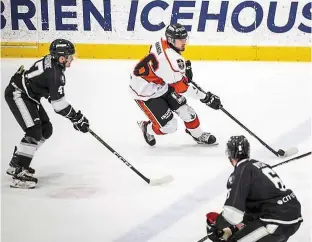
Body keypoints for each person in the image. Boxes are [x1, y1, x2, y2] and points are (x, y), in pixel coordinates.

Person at [4, 39, 90, 189]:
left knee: (46, 129)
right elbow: (58, 105)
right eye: (70, 56)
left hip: (29, 95)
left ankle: (18, 160)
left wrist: (73, 116)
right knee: (34, 131)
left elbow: (44, 86)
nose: (72, 59)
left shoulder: (53, 64)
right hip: (18, 94)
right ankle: (19, 172)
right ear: (61, 58)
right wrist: (76, 118)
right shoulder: (56, 74)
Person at [129, 23, 221, 146]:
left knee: (187, 112)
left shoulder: (161, 42)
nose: (184, 42)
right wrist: (206, 98)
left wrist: (181, 76)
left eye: (185, 38)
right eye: (181, 39)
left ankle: (198, 135)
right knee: (170, 126)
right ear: (171, 40)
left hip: (162, 84)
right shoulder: (171, 60)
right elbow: (182, 88)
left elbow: (165, 71)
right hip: (145, 92)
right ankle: (147, 128)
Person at [205, 135, 303, 242]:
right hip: (292, 217)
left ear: (229, 155)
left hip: (275, 222)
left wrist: (217, 224)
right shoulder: (259, 165)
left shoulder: (240, 173)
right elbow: (257, 206)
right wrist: (232, 228)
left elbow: (233, 213)